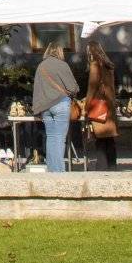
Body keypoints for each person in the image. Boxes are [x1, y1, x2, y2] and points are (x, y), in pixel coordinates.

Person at [31, 39, 78, 173]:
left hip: (45, 106)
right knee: (60, 138)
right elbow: (73, 87)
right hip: (61, 104)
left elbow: (37, 89)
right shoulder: (62, 65)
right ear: (60, 51)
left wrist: (36, 109)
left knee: (51, 137)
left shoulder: (41, 66)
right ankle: (58, 171)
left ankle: (52, 169)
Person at [82, 44, 121, 169]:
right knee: (109, 139)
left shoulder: (95, 65)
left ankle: (102, 166)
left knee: (100, 138)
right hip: (109, 104)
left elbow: (92, 87)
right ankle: (112, 165)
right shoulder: (108, 65)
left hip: (99, 105)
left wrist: (86, 105)